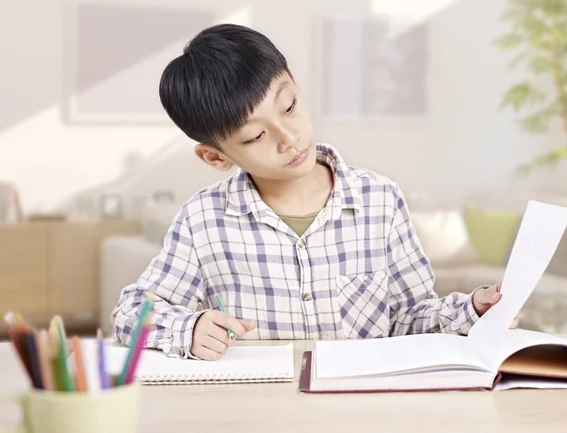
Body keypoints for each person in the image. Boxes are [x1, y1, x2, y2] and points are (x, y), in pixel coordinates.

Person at [111, 23, 514, 361]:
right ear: (216, 158)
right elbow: (130, 314)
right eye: (255, 136)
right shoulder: (203, 220)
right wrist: (189, 328)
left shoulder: (380, 199)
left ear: (297, 86)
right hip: (257, 412)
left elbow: (409, 318)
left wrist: (472, 310)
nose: (289, 138)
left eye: (288, 107)